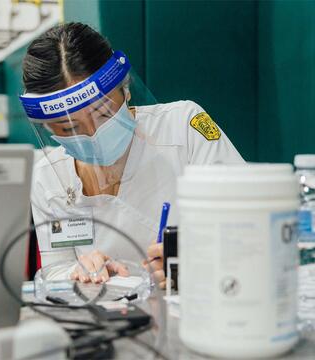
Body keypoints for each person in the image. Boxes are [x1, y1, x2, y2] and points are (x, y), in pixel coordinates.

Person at [20, 22, 244, 288]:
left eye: (103, 113)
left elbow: (251, 226)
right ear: (47, 127)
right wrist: (78, 273)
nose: (93, 134)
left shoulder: (183, 129)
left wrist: (199, 259)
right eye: (70, 128)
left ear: (124, 89)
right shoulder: (48, 178)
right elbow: (55, 272)